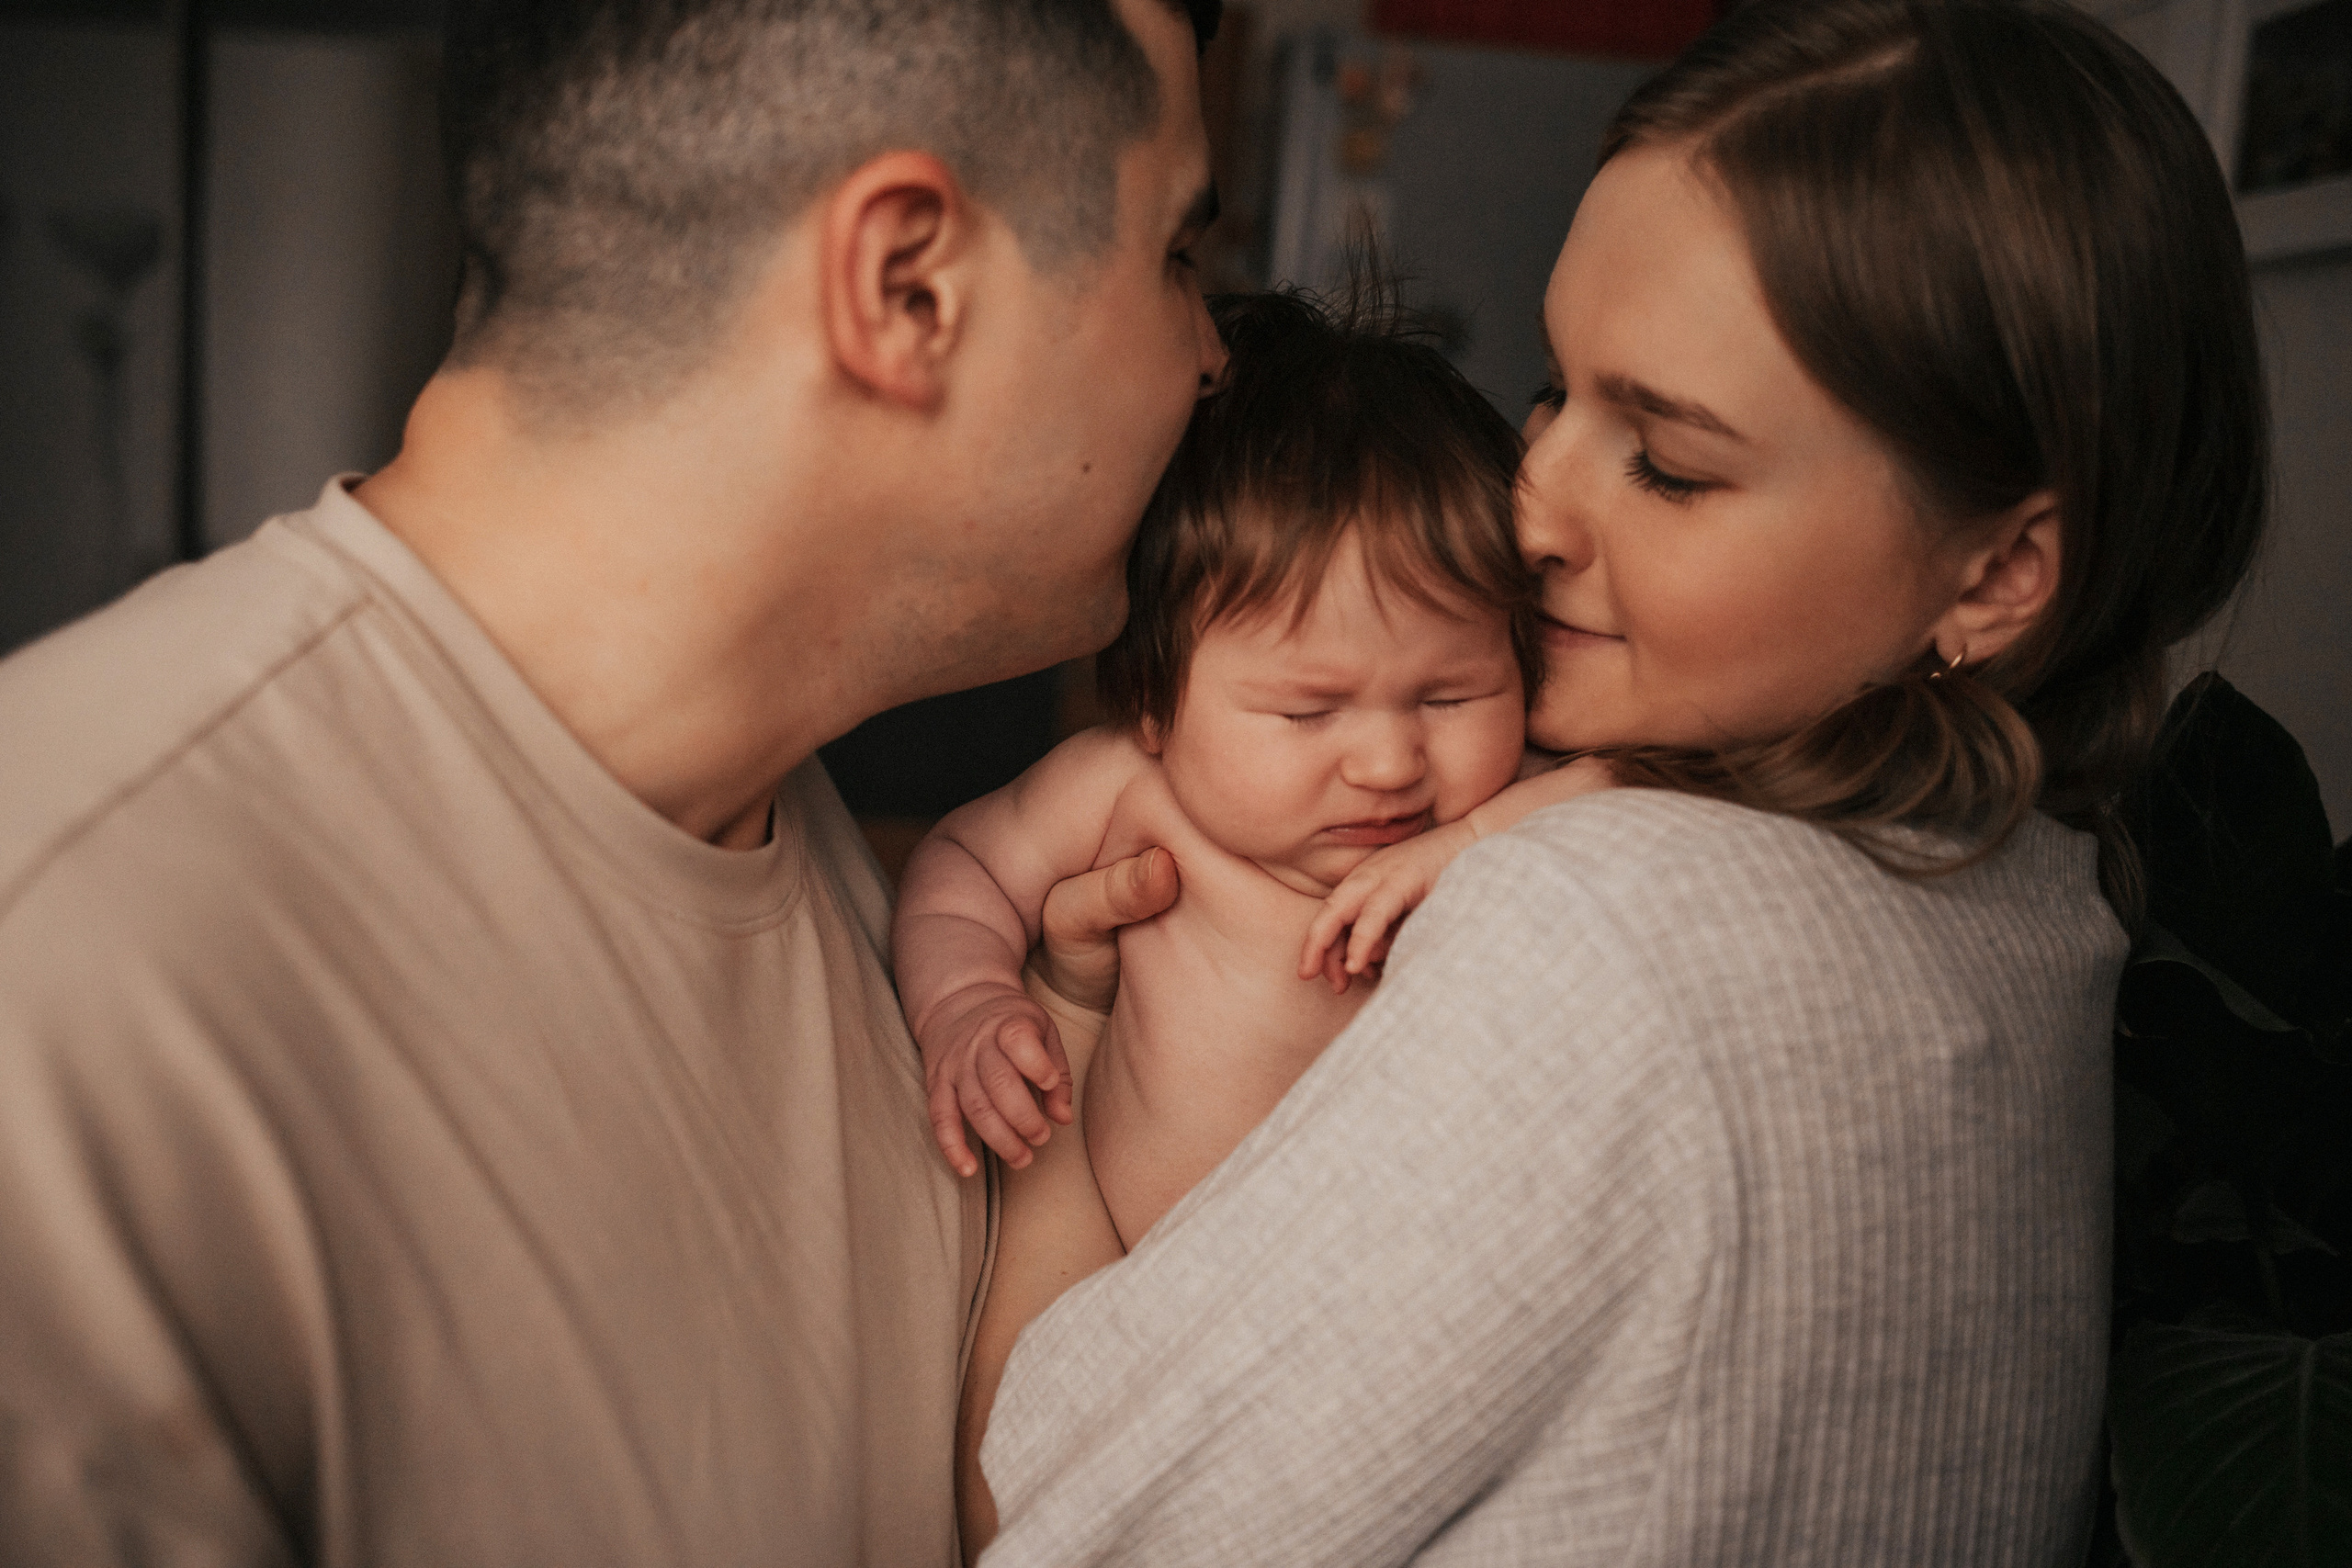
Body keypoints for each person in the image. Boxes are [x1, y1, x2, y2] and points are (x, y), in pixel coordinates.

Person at [976, 1, 2269, 1562]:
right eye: (1552, 393)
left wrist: (1071, 1009)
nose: (1527, 514)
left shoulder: (1606, 927)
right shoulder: (2039, 890)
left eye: (1670, 462)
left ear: (1996, 575)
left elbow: (1050, 1517)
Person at [0, 0, 1223, 1562]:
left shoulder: (870, 886)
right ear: (907, 283)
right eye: (1181, 255)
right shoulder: (64, 977)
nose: (1210, 354)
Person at [891, 288, 1610, 1552]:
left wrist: (1476, 839)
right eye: (1307, 712)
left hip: (1367, 1332)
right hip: (1124, 1284)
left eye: (1452, 692)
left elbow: (1644, 784)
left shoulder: (1508, 815)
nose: (1390, 762)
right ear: (1157, 702)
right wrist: (969, 1000)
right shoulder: (1132, 797)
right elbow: (962, 865)